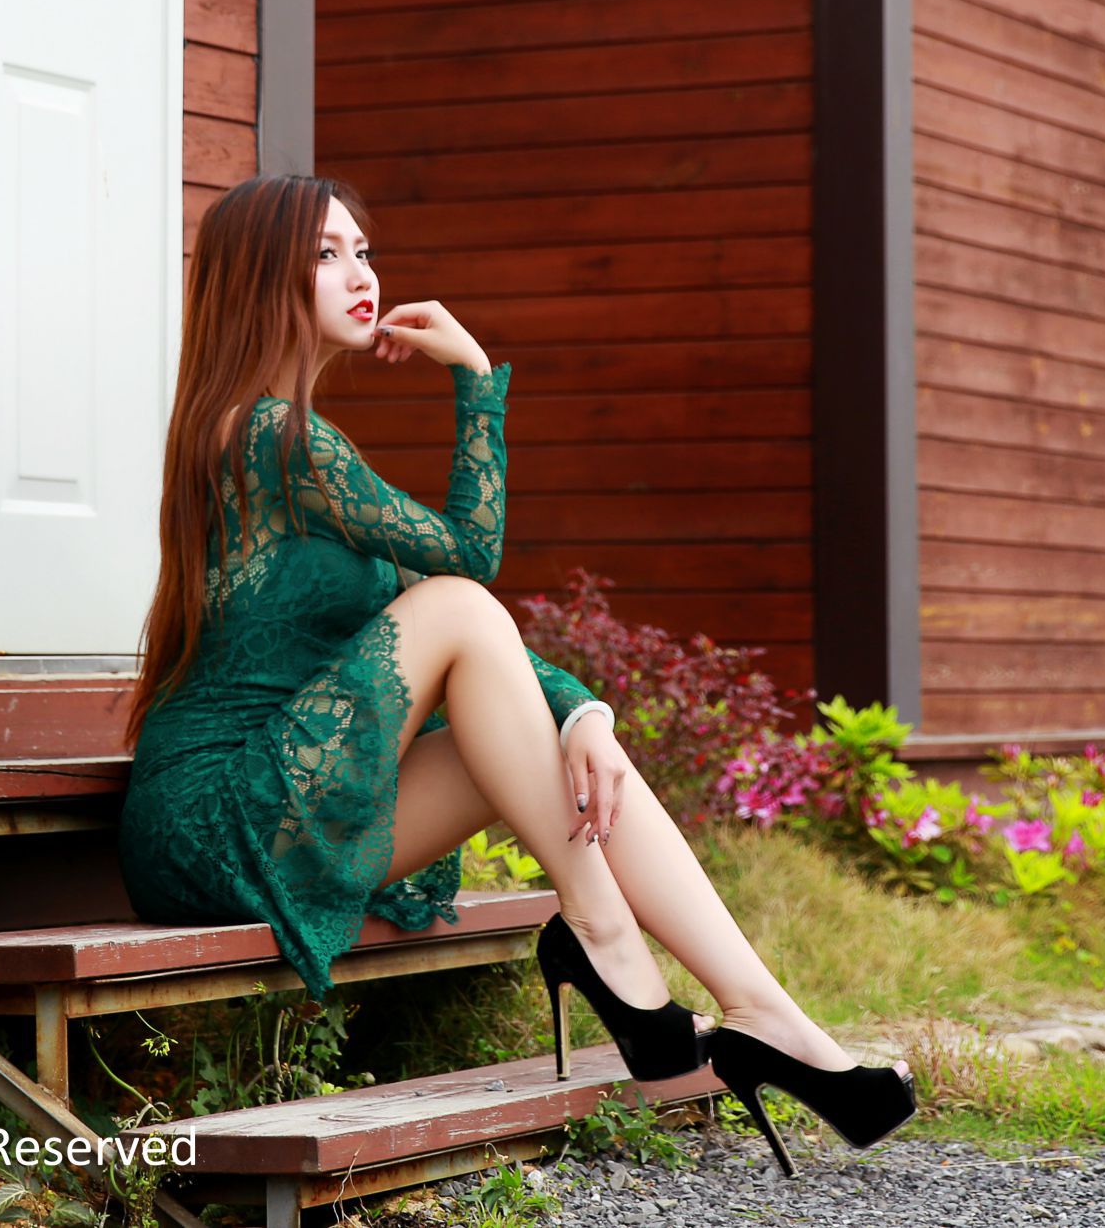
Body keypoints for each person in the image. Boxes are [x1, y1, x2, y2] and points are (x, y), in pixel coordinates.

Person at [117, 173, 914, 1171]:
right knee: (459, 611)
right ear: (254, 279)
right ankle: (604, 937)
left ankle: (768, 1017)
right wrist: (473, 377)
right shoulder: (267, 436)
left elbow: (472, 628)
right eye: (326, 253)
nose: (359, 274)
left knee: (559, 737)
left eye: (363, 249)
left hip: (284, 801)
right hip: (209, 817)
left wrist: (586, 713)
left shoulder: (295, 447)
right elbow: (467, 567)